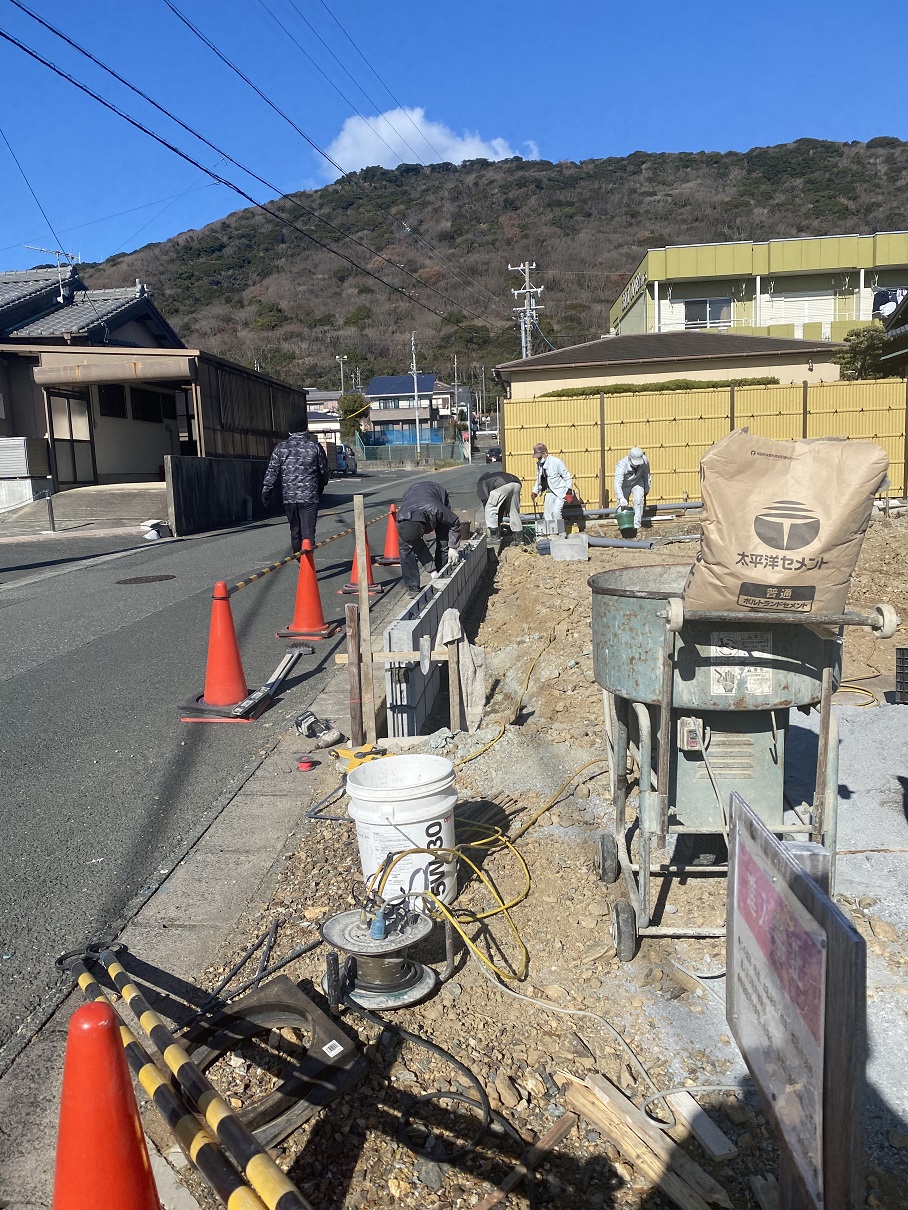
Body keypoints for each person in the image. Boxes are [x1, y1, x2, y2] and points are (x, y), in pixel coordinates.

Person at [262, 414, 330, 554]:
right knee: (308, 532)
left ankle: (299, 560)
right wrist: (322, 485)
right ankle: (307, 566)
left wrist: (266, 490)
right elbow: (324, 470)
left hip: (289, 497)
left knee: (295, 531)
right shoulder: (314, 447)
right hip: (309, 496)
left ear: (289, 431)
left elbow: (272, 471)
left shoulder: (281, 448)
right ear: (305, 429)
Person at [396, 481, 462, 598]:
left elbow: (454, 522)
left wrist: (453, 547)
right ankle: (413, 587)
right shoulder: (402, 520)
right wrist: (432, 571)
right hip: (411, 494)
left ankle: (442, 573)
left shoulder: (436, 509)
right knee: (405, 549)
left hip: (436, 495)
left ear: (422, 531)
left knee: (443, 540)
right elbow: (418, 545)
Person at [476, 468, 523, 545]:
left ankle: (494, 537)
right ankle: (519, 538)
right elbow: (501, 507)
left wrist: (489, 516)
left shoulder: (481, 482)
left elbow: (485, 499)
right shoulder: (492, 477)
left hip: (503, 484)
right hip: (517, 483)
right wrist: (498, 521)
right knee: (513, 510)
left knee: (490, 508)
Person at [531, 443, 573, 526]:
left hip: (560, 492)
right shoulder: (539, 465)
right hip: (549, 491)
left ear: (545, 453)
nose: (539, 458)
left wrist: (569, 492)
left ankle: (561, 533)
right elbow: (539, 479)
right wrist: (535, 491)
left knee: (556, 512)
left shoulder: (557, 462)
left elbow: (567, 477)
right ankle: (551, 533)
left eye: (540, 456)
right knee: (547, 514)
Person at [613, 446, 651, 532]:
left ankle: (636, 525)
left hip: (637, 481)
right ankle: (622, 525)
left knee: (638, 500)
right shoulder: (621, 465)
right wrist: (621, 498)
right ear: (630, 458)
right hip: (624, 484)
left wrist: (647, 486)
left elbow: (646, 474)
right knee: (622, 505)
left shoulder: (645, 461)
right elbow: (617, 483)